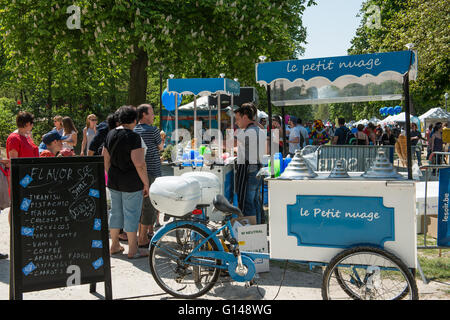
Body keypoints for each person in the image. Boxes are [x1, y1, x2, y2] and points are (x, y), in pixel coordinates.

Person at [103, 106, 150, 259]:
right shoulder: (133, 137)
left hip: (114, 180)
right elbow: (139, 164)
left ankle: (115, 245)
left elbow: (106, 158)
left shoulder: (110, 134)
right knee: (131, 214)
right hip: (131, 182)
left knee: (115, 212)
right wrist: (146, 183)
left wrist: (111, 173)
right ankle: (133, 249)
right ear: (134, 119)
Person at [134, 104, 164, 248]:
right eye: (151, 113)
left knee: (140, 205)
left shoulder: (133, 130)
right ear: (144, 114)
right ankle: (143, 238)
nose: (154, 116)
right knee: (150, 205)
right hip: (152, 171)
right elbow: (161, 147)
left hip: (137, 172)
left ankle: (144, 234)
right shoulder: (153, 130)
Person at [6, 111, 39, 226]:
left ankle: (22, 230)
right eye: (32, 123)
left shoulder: (27, 137)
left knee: (26, 202)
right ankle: (14, 230)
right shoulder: (14, 138)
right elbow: (13, 161)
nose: (33, 125)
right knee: (16, 204)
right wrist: (21, 182)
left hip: (29, 176)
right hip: (20, 177)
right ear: (26, 124)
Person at [234, 103, 263, 222]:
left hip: (250, 171)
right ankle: (259, 227)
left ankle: (251, 235)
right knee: (255, 201)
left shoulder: (249, 132)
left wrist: (216, 142)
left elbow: (231, 144)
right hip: (257, 168)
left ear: (245, 117)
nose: (236, 122)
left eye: (237, 119)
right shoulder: (256, 129)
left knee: (248, 203)